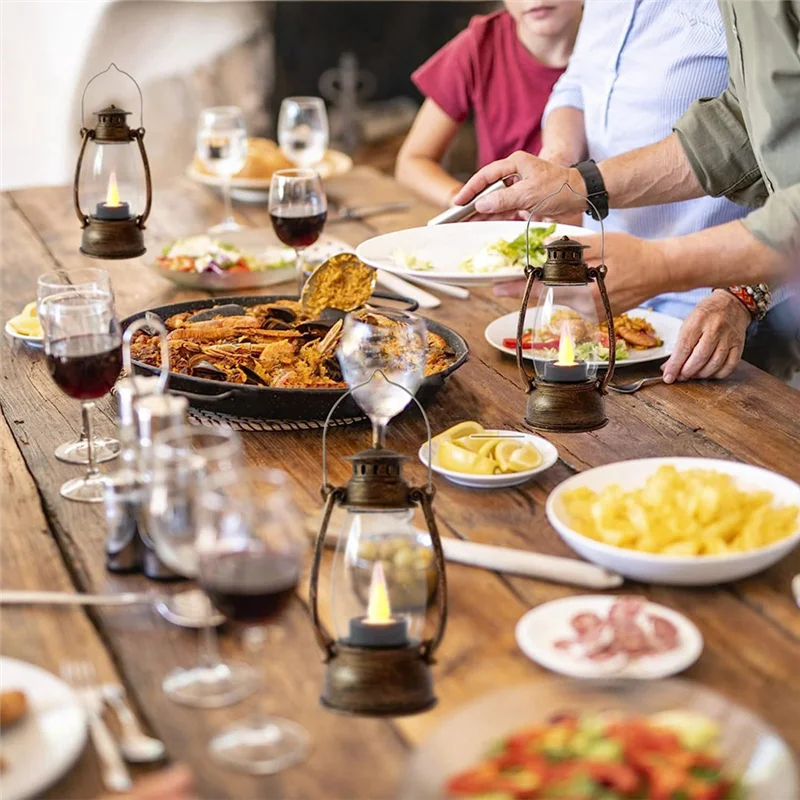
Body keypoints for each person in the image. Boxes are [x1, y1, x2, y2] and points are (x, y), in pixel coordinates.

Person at [454, 0, 800, 385]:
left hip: (724, 302)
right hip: (620, 293)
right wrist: (576, 182)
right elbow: (736, 129)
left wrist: (668, 268)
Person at [395, 0, 583, 207]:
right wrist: (470, 204)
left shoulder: (617, 53)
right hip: (502, 229)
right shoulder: (480, 45)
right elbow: (412, 161)